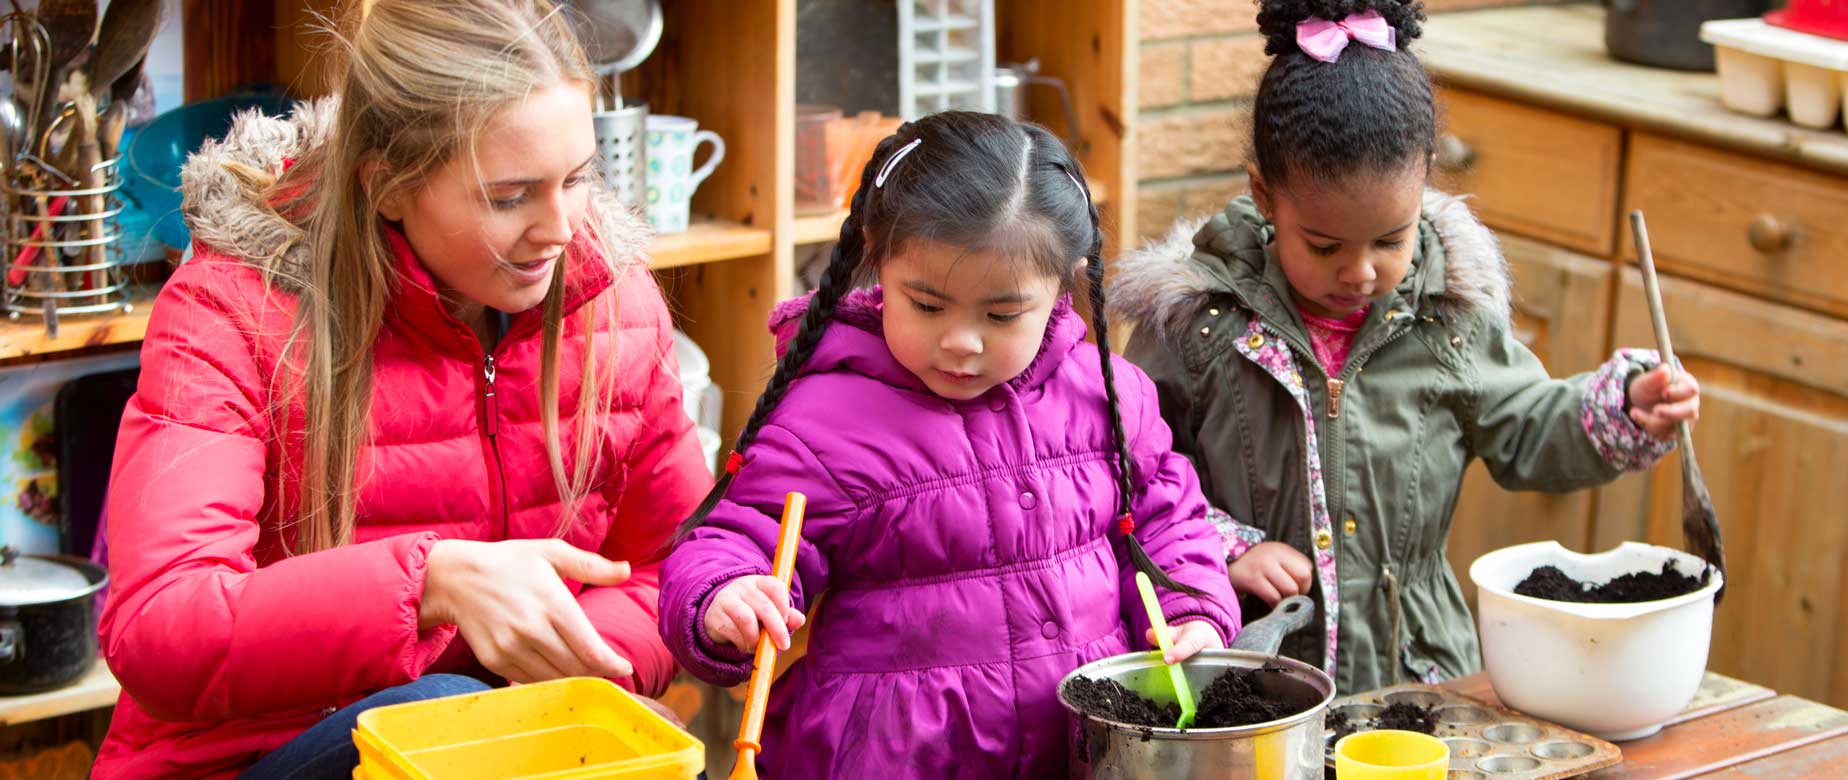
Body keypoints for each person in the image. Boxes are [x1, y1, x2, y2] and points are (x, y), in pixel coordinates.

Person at [93, 2, 709, 776]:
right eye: (510, 196)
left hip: (506, 749)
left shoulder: (614, 307)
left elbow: (673, 565)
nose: (561, 228)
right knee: (431, 709)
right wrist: (428, 584)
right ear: (385, 184)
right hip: (248, 759)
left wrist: (579, 674)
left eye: (578, 179)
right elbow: (160, 625)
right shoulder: (230, 311)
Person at [1109, 0, 1704, 694]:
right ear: (1265, 198)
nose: (1360, 272)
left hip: (1416, 677)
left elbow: (1530, 426)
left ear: (1424, 189)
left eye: (1392, 240)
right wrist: (1228, 549)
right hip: (1253, 678)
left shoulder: (1446, 317)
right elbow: (1133, 476)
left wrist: (1626, 407)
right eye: (1324, 246)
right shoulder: (1200, 325)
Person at [658, 112, 1241, 778]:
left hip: (1078, 748)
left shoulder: (1108, 397)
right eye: (928, 306)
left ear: (1064, 282)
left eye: (1001, 314)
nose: (961, 341)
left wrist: (1190, 606)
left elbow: (1167, 518)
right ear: (877, 256)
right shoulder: (827, 419)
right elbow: (741, 535)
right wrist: (724, 596)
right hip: (888, 755)